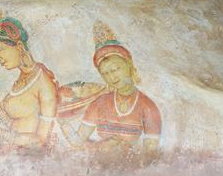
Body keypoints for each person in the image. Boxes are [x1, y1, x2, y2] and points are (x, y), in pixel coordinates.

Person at [60, 21, 162, 162]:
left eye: (115, 69)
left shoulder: (148, 108)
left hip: (128, 171)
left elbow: (149, 156)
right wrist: (61, 122)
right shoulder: (99, 103)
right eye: (105, 73)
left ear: (128, 65)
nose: (112, 77)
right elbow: (77, 141)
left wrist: (125, 155)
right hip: (98, 167)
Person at [0, 5, 58, 155]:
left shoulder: (44, 83)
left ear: (19, 46)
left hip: (28, 162)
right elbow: (16, 124)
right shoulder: (22, 79)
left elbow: (40, 140)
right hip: (10, 157)